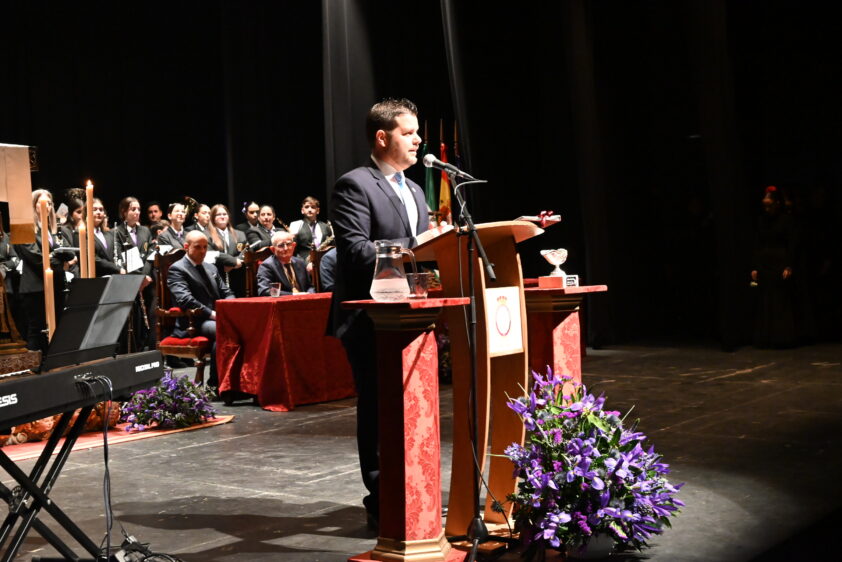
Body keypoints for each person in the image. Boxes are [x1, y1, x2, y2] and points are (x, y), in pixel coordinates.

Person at [328, 98, 430, 528]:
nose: (418, 139)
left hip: (412, 314)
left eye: (417, 132)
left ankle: (416, 489)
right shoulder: (355, 185)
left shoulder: (417, 190)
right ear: (383, 137)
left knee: (413, 407)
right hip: (370, 318)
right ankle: (382, 500)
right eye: (409, 133)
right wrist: (420, 244)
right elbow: (356, 251)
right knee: (377, 408)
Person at [167, 230, 235, 387]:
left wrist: (229, 308)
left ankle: (231, 384)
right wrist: (213, 314)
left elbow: (227, 292)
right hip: (193, 322)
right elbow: (186, 300)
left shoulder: (210, 267)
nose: (203, 251)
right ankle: (216, 383)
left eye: (205, 247)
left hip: (216, 318)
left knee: (241, 327)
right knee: (224, 330)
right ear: (186, 247)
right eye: (198, 247)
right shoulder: (177, 269)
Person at [13, 189, 76, 352]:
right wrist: (59, 260)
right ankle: (36, 365)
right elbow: (35, 258)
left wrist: (56, 257)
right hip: (36, 288)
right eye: (42, 203)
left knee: (58, 328)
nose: (47, 206)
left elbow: (68, 252)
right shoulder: (24, 228)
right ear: (33, 206)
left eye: (49, 203)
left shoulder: (51, 229)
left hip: (56, 285)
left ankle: (54, 362)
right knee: (38, 330)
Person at [751, 185, 798, 347]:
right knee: (765, 299)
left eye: (769, 203)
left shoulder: (786, 220)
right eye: (765, 204)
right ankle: (765, 337)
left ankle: (781, 338)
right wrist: (755, 266)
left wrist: (788, 265)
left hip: (780, 263)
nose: (767, 207)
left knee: (780, 299)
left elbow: (792, 245)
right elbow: (757, 244)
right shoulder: (761, 220)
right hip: (765, 264)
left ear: (777, 203)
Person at [113, 196, 156, 351]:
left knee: (152, 312)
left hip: (147, 279)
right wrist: (138, 279)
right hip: (130, 279)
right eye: (133, 209)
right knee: (134, 318)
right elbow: (119, 257)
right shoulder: (117, 232)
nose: (137, 212)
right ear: (124, 212)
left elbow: (150, 254)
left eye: (138, 209)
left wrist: (144, 276)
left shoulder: (145, 230)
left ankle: (151, 346)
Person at [256, 231, 312, 296]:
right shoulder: (267, 266)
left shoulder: (300, 262)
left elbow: (310, 286)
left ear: (294, 245)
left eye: (288, 244)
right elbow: (264, 290)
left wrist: (309, 294)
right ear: (273, 249)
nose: (286, 248)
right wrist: (293, 295)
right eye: (281, 245)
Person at [208, 204, 247, 296]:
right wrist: (233, 261)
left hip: (237, 277)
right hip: (218, 275)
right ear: (213, 218)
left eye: (224, 214)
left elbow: (243, 252)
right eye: (218, 214)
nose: (222, 217)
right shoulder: (207, 235)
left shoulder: (239, 234)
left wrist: (232, 265)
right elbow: (211, 254)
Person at [289, 196, 333, 262]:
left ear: (318, 211)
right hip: (303, 262)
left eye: (313, 207)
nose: (310, 210)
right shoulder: (295, 224)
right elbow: (292, 248)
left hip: (323, 261)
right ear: (302, 210)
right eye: (307, 207)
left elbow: (331, 246)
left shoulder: (325, 226)